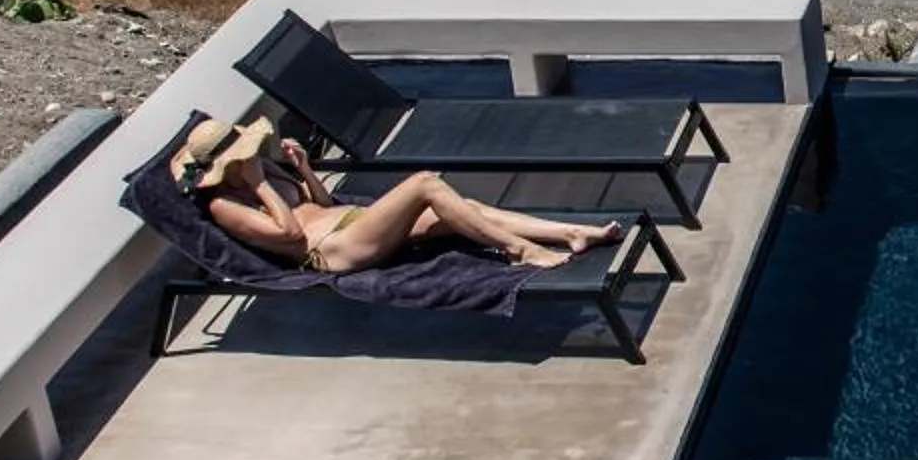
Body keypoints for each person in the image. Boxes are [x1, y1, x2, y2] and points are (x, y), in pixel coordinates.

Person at [169, 115, 619, 274]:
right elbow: (289, 235)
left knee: (466, 208)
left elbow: (320, 205)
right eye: (243, 156)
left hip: (351, 222)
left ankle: (571, 233)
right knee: (425, 183)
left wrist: (303, 170)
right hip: (336, 250)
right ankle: (521, 250)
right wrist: (260, 183)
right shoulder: (226, 205)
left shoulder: (260, 169)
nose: (252, 156)